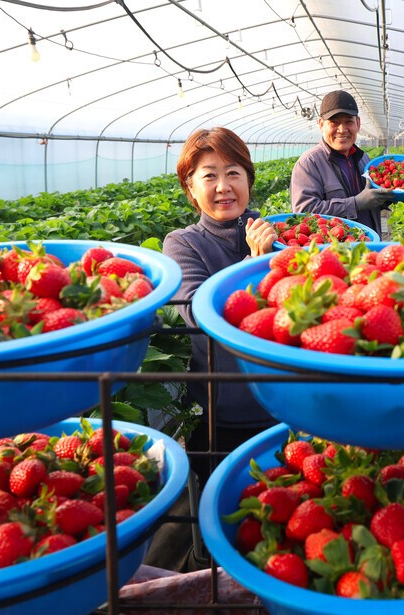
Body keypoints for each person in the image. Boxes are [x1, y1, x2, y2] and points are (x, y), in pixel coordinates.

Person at [146, 127, 278, 572]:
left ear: (249, 179)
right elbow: (197, 315)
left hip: (287, 405)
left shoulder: (275, 231)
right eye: (209, 176)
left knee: (283, 511)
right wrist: (252, 262)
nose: (224, 186)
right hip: (225, 412)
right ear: (190, 188)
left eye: (234, 173)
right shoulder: (183, 243)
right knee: (234, 519)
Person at [291, 89, 394, 235]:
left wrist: (392, 196)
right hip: (334, 253)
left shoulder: (364, 159)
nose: (342, 129)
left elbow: (371, 198)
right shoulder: (309, 163)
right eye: (334, 122)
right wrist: (355, 204)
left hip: (370, 246)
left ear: (358, 124)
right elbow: (304, 212)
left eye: (348, 122)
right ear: (321, 124)